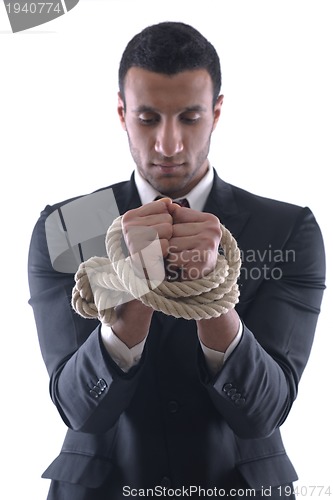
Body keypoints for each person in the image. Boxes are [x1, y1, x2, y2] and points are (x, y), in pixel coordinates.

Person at [28, 21, 326, 500]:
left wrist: (212, 291)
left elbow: (262, 413)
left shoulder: (288, 229)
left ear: (217, 112)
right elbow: (80, 409)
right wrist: (135, 291)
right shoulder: (66, 227)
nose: (168, 145)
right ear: (122, 113)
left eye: (189, 117)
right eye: (148, 119)